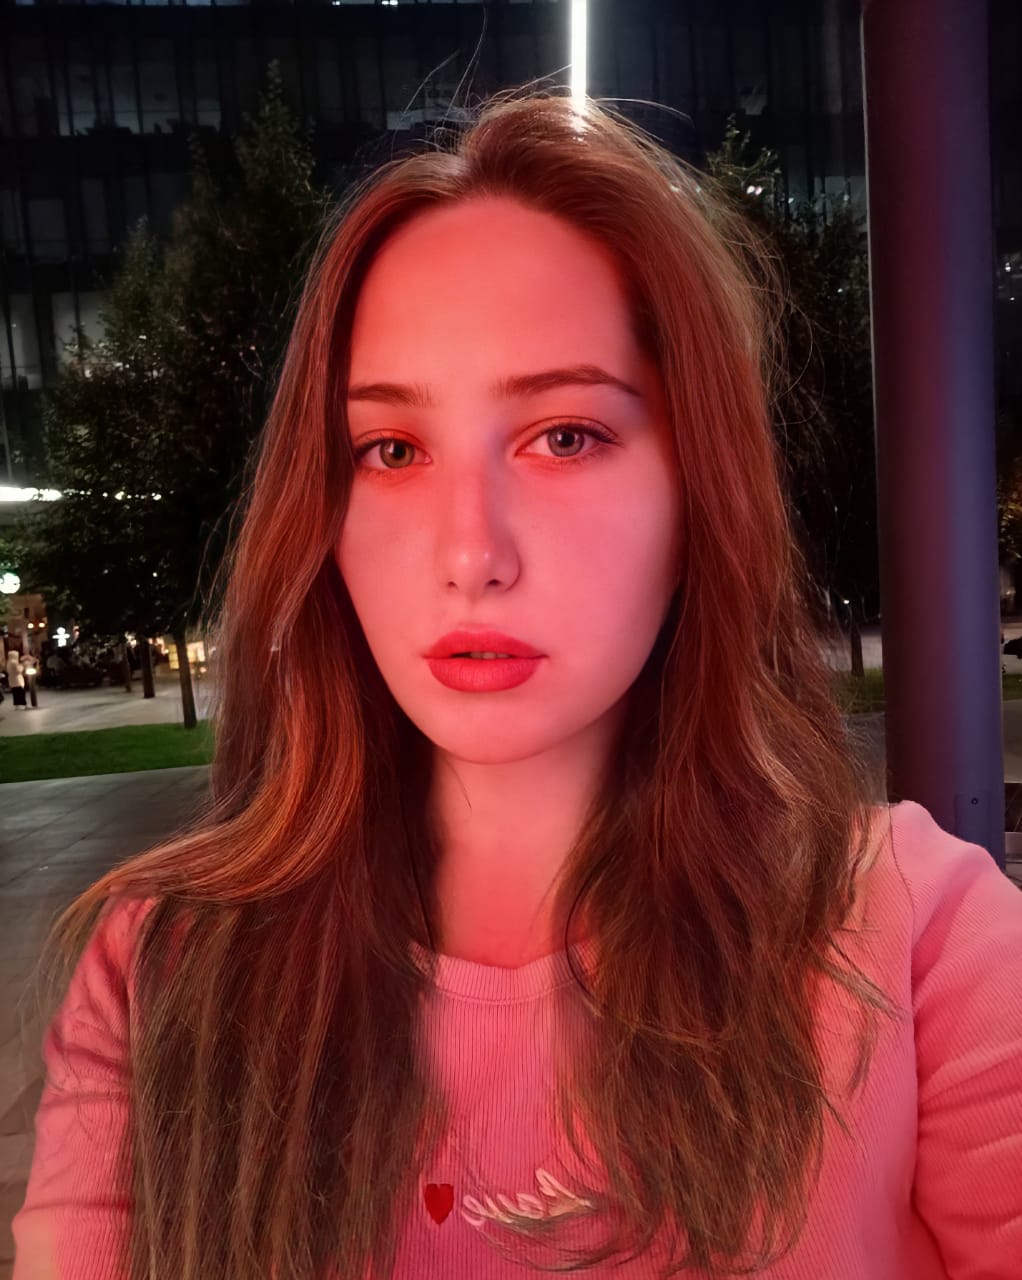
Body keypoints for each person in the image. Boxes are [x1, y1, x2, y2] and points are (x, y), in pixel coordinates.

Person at [11, 89, 1022, 1280]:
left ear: (697, 490)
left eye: (563, 435)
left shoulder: (916, 938)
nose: (469, 552)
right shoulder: (162, 968)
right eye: (390, 450)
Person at [6, 643, 27, 709]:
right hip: (17, 679)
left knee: (15, 693)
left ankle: (17, 705)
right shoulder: (14, 662)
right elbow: (18, 670)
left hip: (12, 679)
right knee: (20, 692)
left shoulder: (8, 662)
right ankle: (23, 704)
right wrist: (22, 666)